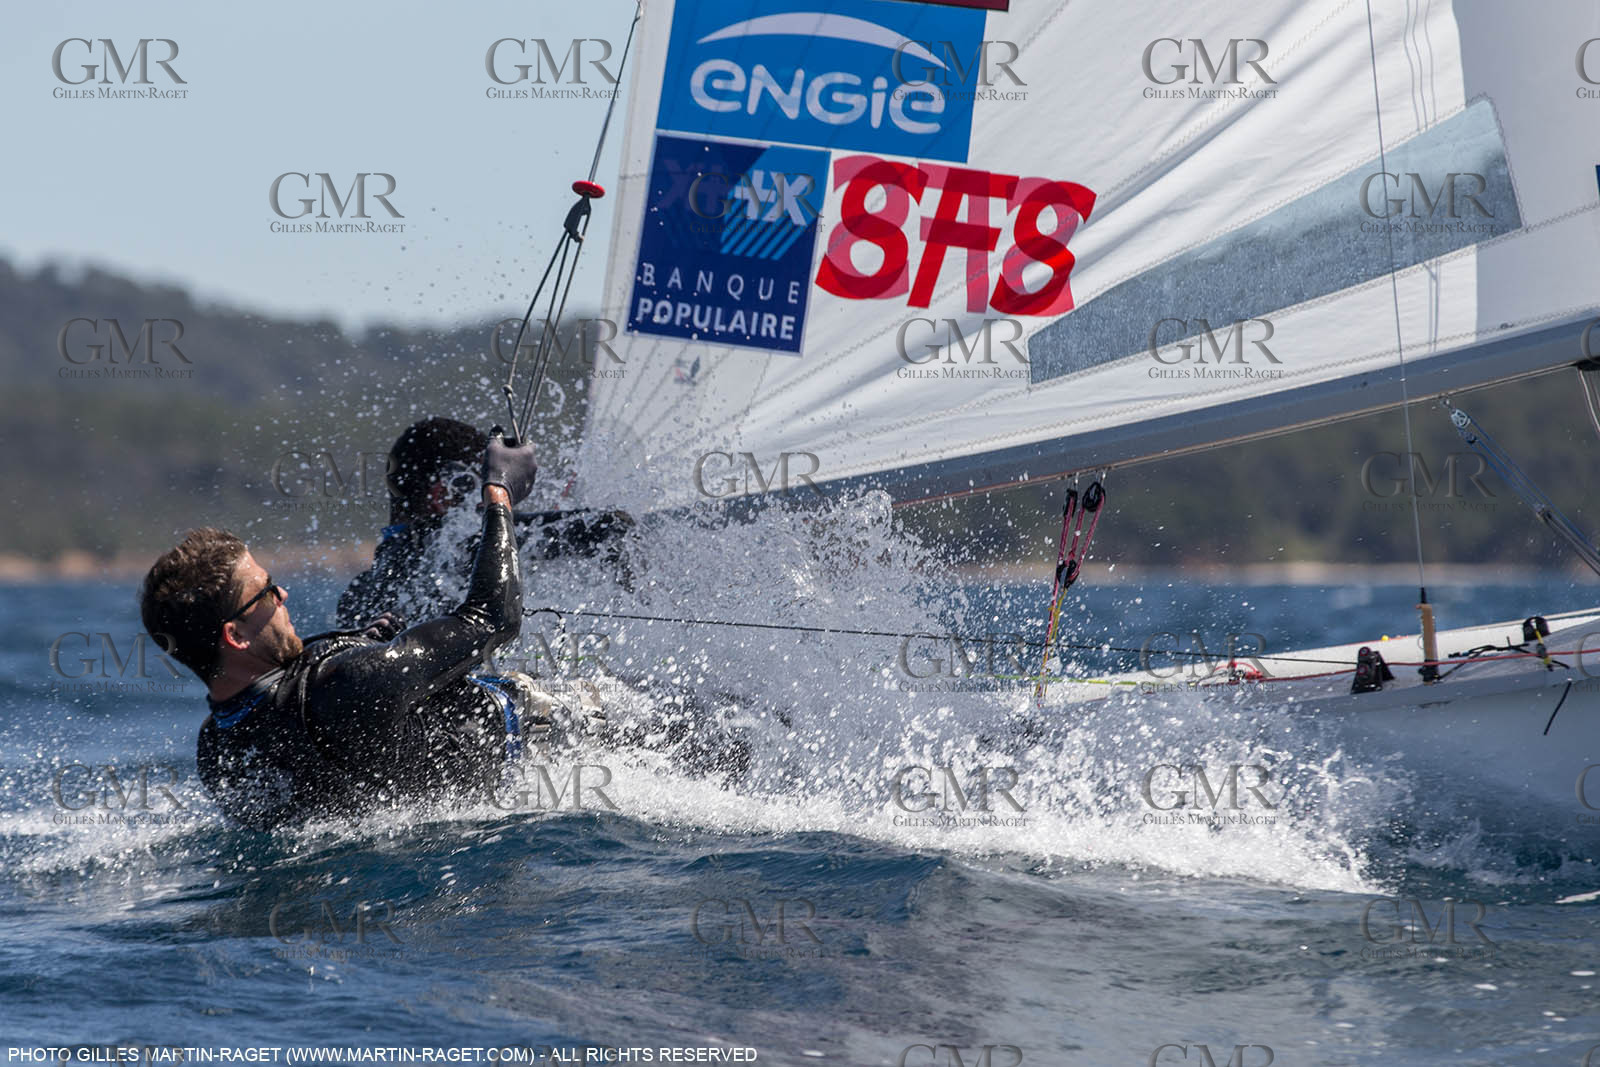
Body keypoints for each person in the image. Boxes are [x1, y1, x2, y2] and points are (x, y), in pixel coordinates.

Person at [141, 436, 563, 831]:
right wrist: (499, 494)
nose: (282, 593)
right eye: (266, 592)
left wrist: (359, 644)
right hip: (551, 751)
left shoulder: (218, 752)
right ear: (235, 636)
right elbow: (491, 618)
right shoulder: (348, 684)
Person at [336, 416, 633, 628]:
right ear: (446, 492)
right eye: (484, 484)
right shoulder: (450, 550)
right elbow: (607, 527)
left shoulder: (358, 594)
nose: (485, 502)